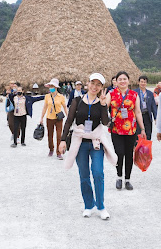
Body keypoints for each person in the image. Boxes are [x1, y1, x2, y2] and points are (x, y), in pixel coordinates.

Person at [60, 73, 115, 220]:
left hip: (96, 142)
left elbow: (105, 122)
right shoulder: (77, 101)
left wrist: (103, 105)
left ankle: (101, 206)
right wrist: (62, 139)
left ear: (101, 88)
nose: (94, 86)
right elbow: (69, 120)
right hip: (80, 142)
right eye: (93, 83)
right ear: (87, 83)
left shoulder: (101, 102)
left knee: (98, 173)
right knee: (84, 175)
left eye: (98, 84)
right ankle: (88, 205)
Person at [104, 71, 146, 191]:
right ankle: (119, 177)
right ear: (116, 81)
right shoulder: (111, 94)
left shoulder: (134, 95)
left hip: (131, 130)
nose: (122, 81)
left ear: (128, 80)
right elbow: (104, 107)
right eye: (120, 79)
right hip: (116, 129)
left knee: (129, 154)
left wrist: (142, 128)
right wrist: (102, 102)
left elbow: (138, 112)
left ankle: (127, 179)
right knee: (119, 153)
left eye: (124, 79)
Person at [40, 78, 69, 159]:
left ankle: (58, 152)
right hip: (49, 118)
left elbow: (65, 107)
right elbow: (45, 107)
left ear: (56, 87)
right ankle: (51, 149)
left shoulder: (61, 97)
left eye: (52, 86)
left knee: (59, 135)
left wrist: (68, 117)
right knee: (50, 135)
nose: (50, 88)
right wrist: (41, 118)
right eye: (50, 86)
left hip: (58, 118)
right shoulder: (47, 96)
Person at [135, 75, 158, 140]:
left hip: (147, 115)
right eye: (141, 82)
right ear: (138, 82)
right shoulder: (134, 92)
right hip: (137, 116)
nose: (143, 83)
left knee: (148, 133)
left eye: (144, 82)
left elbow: (153, 106)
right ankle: (138, 148)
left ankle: (147, 148)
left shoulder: (150, 93)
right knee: (138, 133)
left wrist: (156, 117)